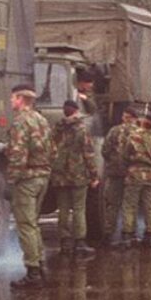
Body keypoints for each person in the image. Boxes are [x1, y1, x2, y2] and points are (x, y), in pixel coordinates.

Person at [6, 82, 54, 289]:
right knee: (33, 224)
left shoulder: (20, 122)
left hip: (26, 179)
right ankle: (40, 266)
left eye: (12, 97)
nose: (10, 101)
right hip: (42, 176)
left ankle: (33, 271)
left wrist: (12, 179)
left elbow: (17, 155)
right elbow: (53, 150)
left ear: (20, 99)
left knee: (25, 225)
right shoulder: (42, 120)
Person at [50, 99, 100, 259]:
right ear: (76, 111)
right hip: (78, 175)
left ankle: (64, 243)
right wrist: (94, 175)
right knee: (79, 208)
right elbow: (88, 154)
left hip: (59, 175)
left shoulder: (57, 129)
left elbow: (49, 148)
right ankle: (79, 243)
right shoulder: (81, 129)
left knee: (63, 209)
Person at [121, 111, 151, 248]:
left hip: (135, 173)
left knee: (130, 205)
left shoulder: (133, 138)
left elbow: (124, 156)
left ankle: (128, 235)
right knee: (150, 206)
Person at [101, 108, 138, 247]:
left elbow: (105, 150)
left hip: (115, 172)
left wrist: (112, 161)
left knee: (113, 204)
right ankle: (128, 234)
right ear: (135, 118)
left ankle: (108, 233)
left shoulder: (114, 131)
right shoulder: (139, 132)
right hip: (133, 172)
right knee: (130, 204)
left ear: (124, 117)